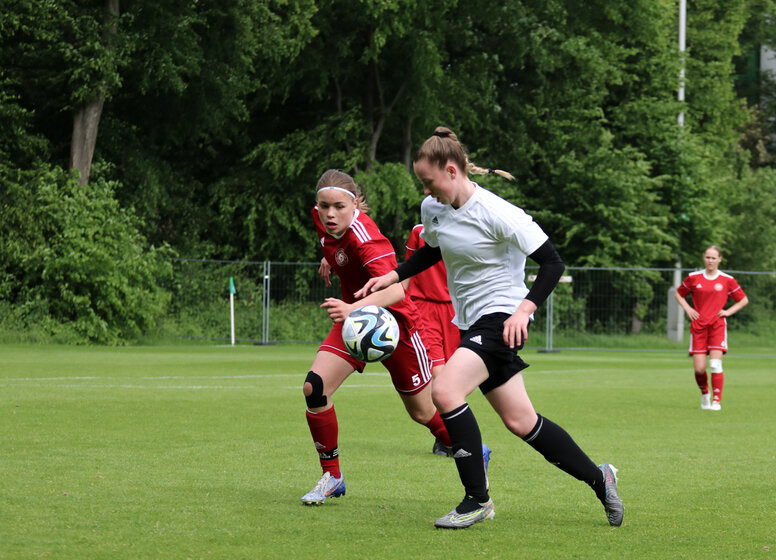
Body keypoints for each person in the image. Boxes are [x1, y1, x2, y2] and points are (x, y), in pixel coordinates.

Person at [356, 127, 624, 529]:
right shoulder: (434, 208)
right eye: (422, 184)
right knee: (522, 421)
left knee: (444, 391)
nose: (426, 191)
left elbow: (553, 263)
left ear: (451, 170)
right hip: (471, 322)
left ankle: (476, 500)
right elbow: (432, 249)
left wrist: (524, 310)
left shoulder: (498, 212)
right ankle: (599, 478)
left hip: (501, 317)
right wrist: (392, 276)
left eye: (429, 182)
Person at [300, 168, 455, 506]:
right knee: (315, 387)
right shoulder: (322, 218)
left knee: (423, 413)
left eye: (339, 207)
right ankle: (332, 476)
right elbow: (334, 246)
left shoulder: (366, 237)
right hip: (354, 322)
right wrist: (331, 261)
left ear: (354, 204)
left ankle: (470, 449)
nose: (329, 214)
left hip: (395, 326)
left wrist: (352, 307)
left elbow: (398, 290)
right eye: (323, 206)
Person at [402, 224, 461, 457]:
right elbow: (406, 272)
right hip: (423, 309)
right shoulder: (419, 231)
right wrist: (400, 306)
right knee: (439, 374)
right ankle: (446, 437)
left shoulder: (466, 229)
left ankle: (450, 432)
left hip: (457, 311)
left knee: (456, 377)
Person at [674, 245, 749, 411]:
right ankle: (705, 392)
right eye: (708, 257)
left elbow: (743, 300)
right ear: (704, 258)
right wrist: (688, 309)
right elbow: (679, 293)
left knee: (715, 364)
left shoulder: (727, 279)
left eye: (714, 258)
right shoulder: (693, 277)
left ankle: (717, 400)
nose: (710, 261)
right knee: (700, 369)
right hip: (698, 326)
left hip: (717, 326)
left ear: (719, 259)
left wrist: (728, 312)